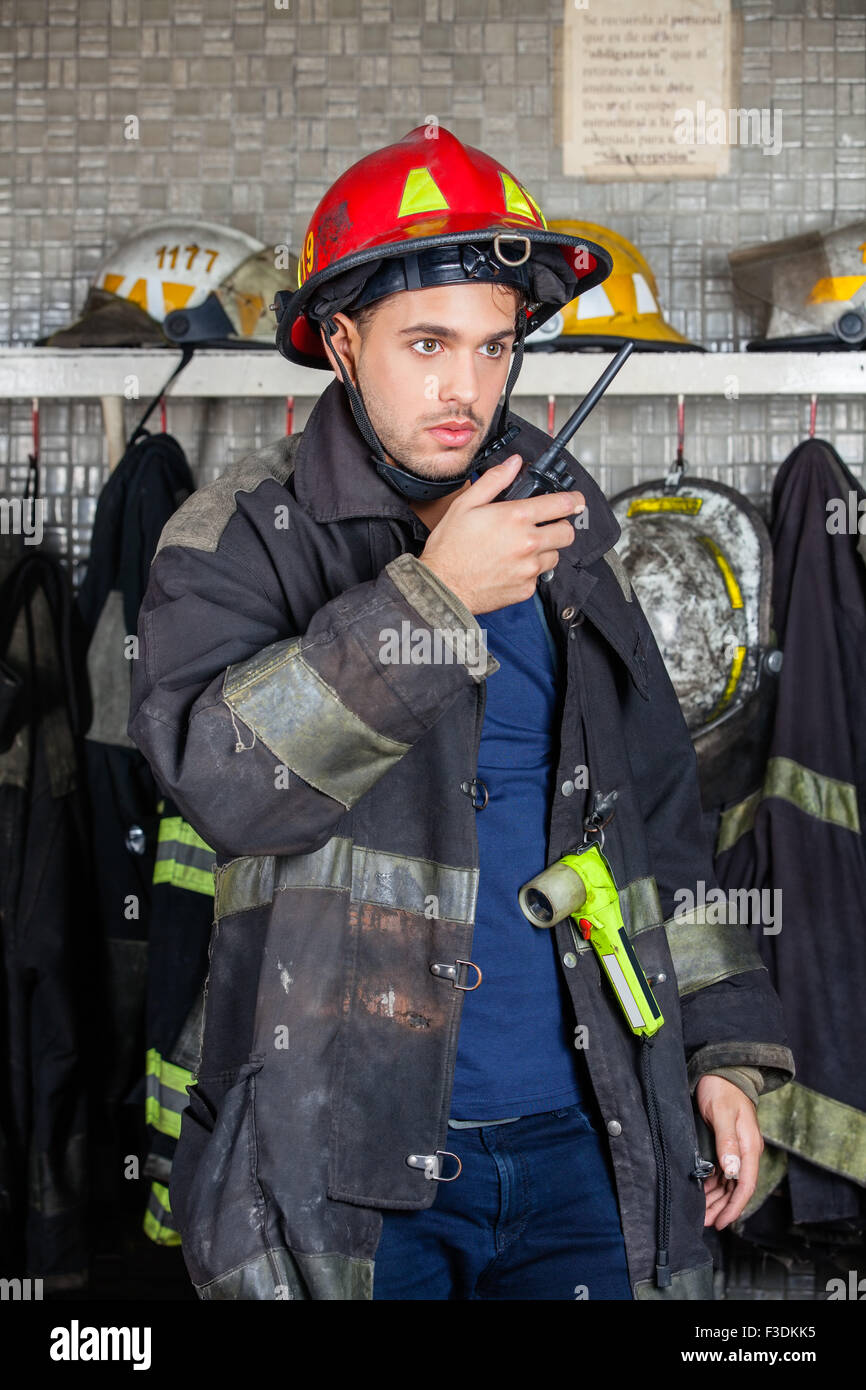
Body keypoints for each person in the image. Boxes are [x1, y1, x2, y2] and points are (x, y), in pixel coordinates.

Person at [128, 125, 794, 1301]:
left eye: (494, 347)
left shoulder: (567, 524)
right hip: (344, 1154)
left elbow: (654, 817)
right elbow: (227, 784)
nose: (465, 389)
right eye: (424, 343)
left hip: (585, 1140)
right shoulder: (238, 533)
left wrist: (721, 1050)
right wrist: (432, 600)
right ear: (341, 341)